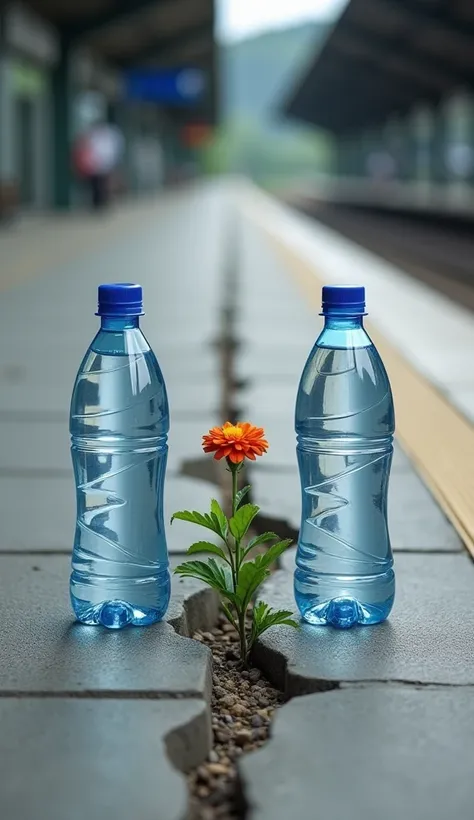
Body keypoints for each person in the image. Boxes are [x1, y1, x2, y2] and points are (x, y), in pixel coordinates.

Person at [73, 120, 124, 210]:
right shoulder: (94, 136)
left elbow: (111, 150)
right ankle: (96, 203)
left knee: (105, 184)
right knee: (96, 184)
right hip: (95, 164)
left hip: (105, 164)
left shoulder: (109, 136)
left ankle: (103, 202)